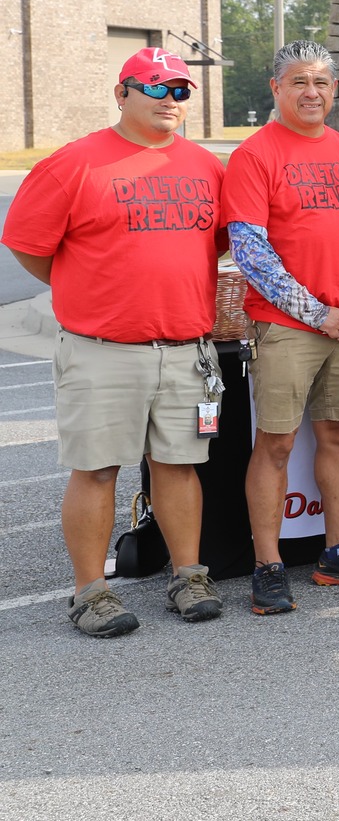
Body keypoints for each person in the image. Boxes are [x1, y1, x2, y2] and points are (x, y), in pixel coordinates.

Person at [3, 48, 228, 636]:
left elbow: (220, 243)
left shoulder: (206, 166)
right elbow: (28, 244)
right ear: (121, 94)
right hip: (102, 349)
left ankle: (188, 575)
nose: (169, 101)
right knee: (97, 469)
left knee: (178, 466)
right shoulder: (73, 164)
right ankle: (91, 593)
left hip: (184, 348)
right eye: (154, 88)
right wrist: (82, 285)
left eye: (180, 90)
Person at [226, 41, 339, 615]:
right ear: (276, 89)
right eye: (299, 81)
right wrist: (315, 312)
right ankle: (268, 564)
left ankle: (338, 552)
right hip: (287, 326)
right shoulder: (255, 155)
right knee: (274, 444)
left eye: (322, 82)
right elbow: (250, 249)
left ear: (334, 89)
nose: (311, 92)